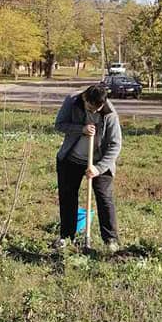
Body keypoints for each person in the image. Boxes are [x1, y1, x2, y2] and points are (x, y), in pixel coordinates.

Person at [55, 84, 122, 252]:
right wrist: (81, 129)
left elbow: (115, 145)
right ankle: (66, 236)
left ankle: (111, 240)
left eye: (97, 108)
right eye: (91, 108)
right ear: (85, 98)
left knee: (105, 199)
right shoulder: (72, 101)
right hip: (71, 159)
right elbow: (59, 124)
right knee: (68, 197)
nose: (94, 112)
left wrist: (98, 168)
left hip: (98, 162)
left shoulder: (110, 114)